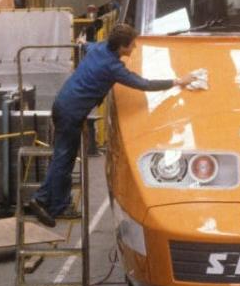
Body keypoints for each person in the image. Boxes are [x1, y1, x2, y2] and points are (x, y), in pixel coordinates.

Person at [29, 24, 194, 227]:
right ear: (122, 47)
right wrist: (178, 81)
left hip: (64, 105)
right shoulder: (112, 67)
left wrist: (83, 42)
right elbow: (143, 84)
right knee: (63, 159)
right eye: (132, 45)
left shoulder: (100, 48)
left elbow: (88, 47)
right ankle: (43, 200)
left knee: (66, 157)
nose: (134, 48)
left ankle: (57, 204)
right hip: (71, 112)